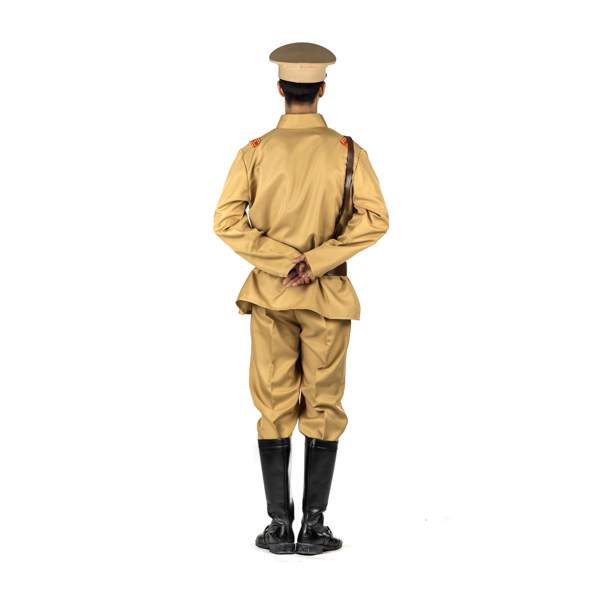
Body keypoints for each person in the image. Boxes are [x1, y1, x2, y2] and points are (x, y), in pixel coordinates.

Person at [213, 42, 390, 555]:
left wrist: (279, 260)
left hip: (271, 297)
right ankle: (313, 528)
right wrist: (316, 261)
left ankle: (277, 528)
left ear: (279, 88)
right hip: (327, 297)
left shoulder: (254, 152)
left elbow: (226, 221)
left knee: (272, 405)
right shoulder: (348, 152)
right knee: (324, 405)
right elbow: (375, 219)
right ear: (322, 90)